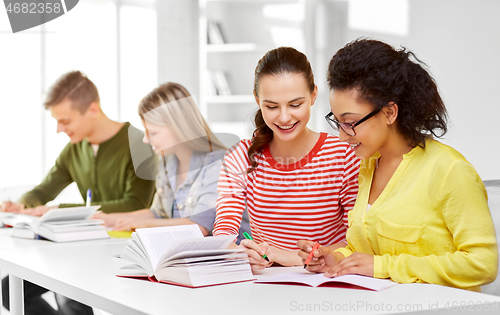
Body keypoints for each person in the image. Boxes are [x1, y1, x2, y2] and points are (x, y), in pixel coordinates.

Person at [297, 38, 498, 291]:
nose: (342, 135)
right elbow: (367, 252)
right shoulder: (368, 166)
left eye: (350, 122)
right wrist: (337, 258)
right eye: (336, 121)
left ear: (390, 112)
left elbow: (482, 264)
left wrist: (383, 267)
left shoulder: (449, 171)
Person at [1, 71, 156, 315]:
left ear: (92, 110)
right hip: (81, 245)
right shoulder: (74, 149)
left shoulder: (140, 144)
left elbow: (135, 203)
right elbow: (46, 188)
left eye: (65, 121)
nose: (58, 129)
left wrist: (60, 210)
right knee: (10, 289)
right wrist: (21, 205)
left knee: (68, 297)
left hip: (122, 248)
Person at [213, 47, 360, 271]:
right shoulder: (240, 156)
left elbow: (357, 239)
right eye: (271, 106)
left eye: (295, 105)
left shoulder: (344, 154)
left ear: (313, 95)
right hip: (265, 284)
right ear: (257, 100)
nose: (283, 117)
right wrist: (237, 252)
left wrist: (293, 257)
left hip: (326, 281)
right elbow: (224, 229)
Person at [93, 82, 250, 239]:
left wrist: (145, 224)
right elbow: (157, 214)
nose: (145, 140)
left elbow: (199, 227)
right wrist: (109, 219)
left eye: (153, 133)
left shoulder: (219, 164)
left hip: (233, 259)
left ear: (178, 127)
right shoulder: (168, 161)